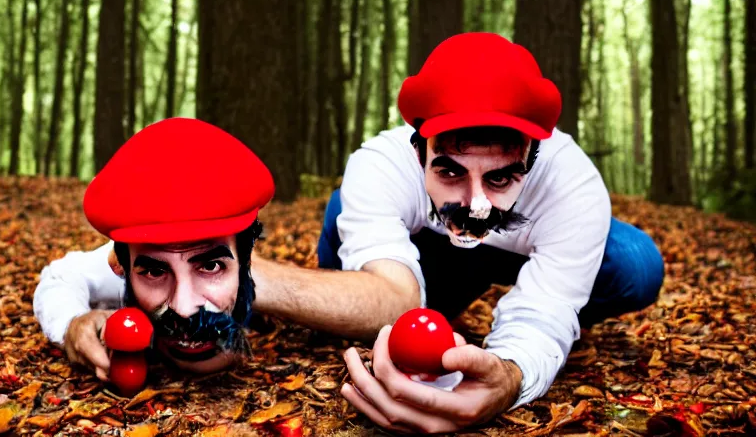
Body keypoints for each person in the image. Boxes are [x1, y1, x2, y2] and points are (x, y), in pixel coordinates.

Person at [249, 32, 664, 433]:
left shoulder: (571, 181)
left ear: (534, 160)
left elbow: (545, 313)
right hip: (423, 258)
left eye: (500, 180)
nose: (475, 204)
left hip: (518, 252)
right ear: (418, 152)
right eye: (450, 171)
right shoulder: (382, 163)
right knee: (346, 208)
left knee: (636, 263)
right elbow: (391, 298)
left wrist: (508, 377)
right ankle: (426, 301)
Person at [32, 117, 274, 380]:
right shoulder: (126, 264)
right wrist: (73, 324)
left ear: (246, 263)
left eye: (210, 266)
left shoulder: (249, 273)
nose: (183, 308)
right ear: (119, 266)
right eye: (154, 273)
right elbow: (61, 276)